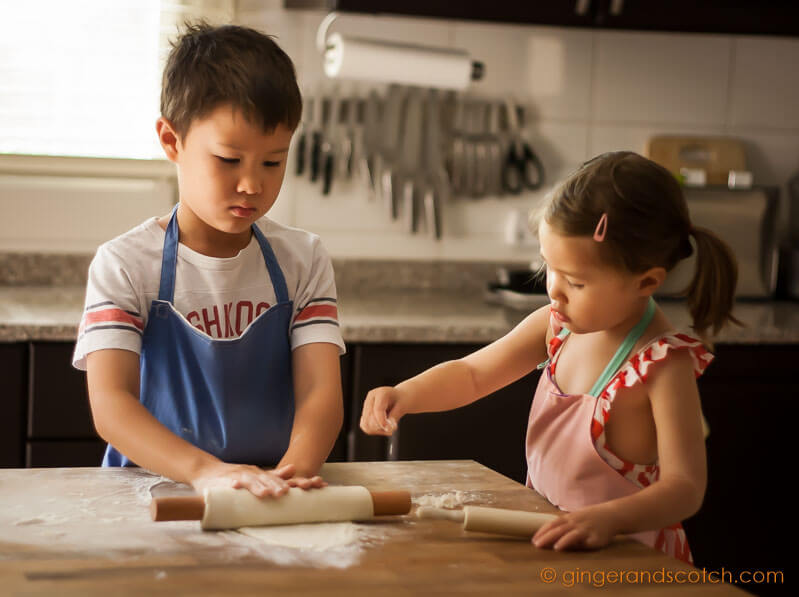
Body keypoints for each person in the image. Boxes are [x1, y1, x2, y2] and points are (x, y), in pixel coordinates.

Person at [360, 151, 739, 563]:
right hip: (554, 545)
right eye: (548, 267)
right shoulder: (555, 325)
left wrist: (608, 519)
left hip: (630, 561)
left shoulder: (661, 363)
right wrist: (405, 394)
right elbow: (472, 374)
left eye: (575, 282)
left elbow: (685, 488)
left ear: (645, 281)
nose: (554, 291)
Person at [72, 22, 345, 499]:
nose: (251, 185)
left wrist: (289, 474)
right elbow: (111, 405)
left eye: (272, 162)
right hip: (150, 492)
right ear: (172, 141)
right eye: (228, 159)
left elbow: (320, 395)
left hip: (269, 488)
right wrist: (204, 472)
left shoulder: (303, 259)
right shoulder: (125, 264)